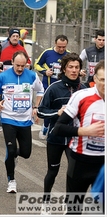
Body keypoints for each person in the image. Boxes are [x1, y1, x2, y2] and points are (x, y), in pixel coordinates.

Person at [36, 53, 87, 214]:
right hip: (56, 138)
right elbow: (41, 112)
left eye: (77, 67)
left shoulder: (85, 90)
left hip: (76, 138)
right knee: (53, 171)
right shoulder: (54, 88)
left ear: (80, 70)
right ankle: (45, 203)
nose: (73, 70)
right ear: (64, 69)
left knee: (74, 173)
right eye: (70, 67)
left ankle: (70, 205)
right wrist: (57, 113)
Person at [53, 60, 105, 214]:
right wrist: (84, 131)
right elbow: (58, 128)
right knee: (74, 210)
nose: (105, 84)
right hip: (80, 161)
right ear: (94, 79)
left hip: (103, 164)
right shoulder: (81, 96)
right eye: (102, 79)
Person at [0, 51, 44, 193]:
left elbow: (40, 91)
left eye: (23, 65)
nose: (20, 68)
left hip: (25, 120)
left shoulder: (32, 76)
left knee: (26, 153)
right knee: (11, 148)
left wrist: (36, 107)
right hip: (8, 118)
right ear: (12, 62)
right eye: (17, 65)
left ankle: (15, 155)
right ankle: (11, 181)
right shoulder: (3, 76)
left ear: (27, 64)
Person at [34, 34, 70, 140]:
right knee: (48, 107)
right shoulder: (47, 52)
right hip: (48, 86)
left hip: (63, 87)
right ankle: (45, 126)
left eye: (64, 47)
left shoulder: (69, 55)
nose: (61, 49)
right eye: (59, 47)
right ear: (55, 44)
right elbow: (37, 64)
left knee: (60, 108)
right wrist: (45, 72)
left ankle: (55, 128)